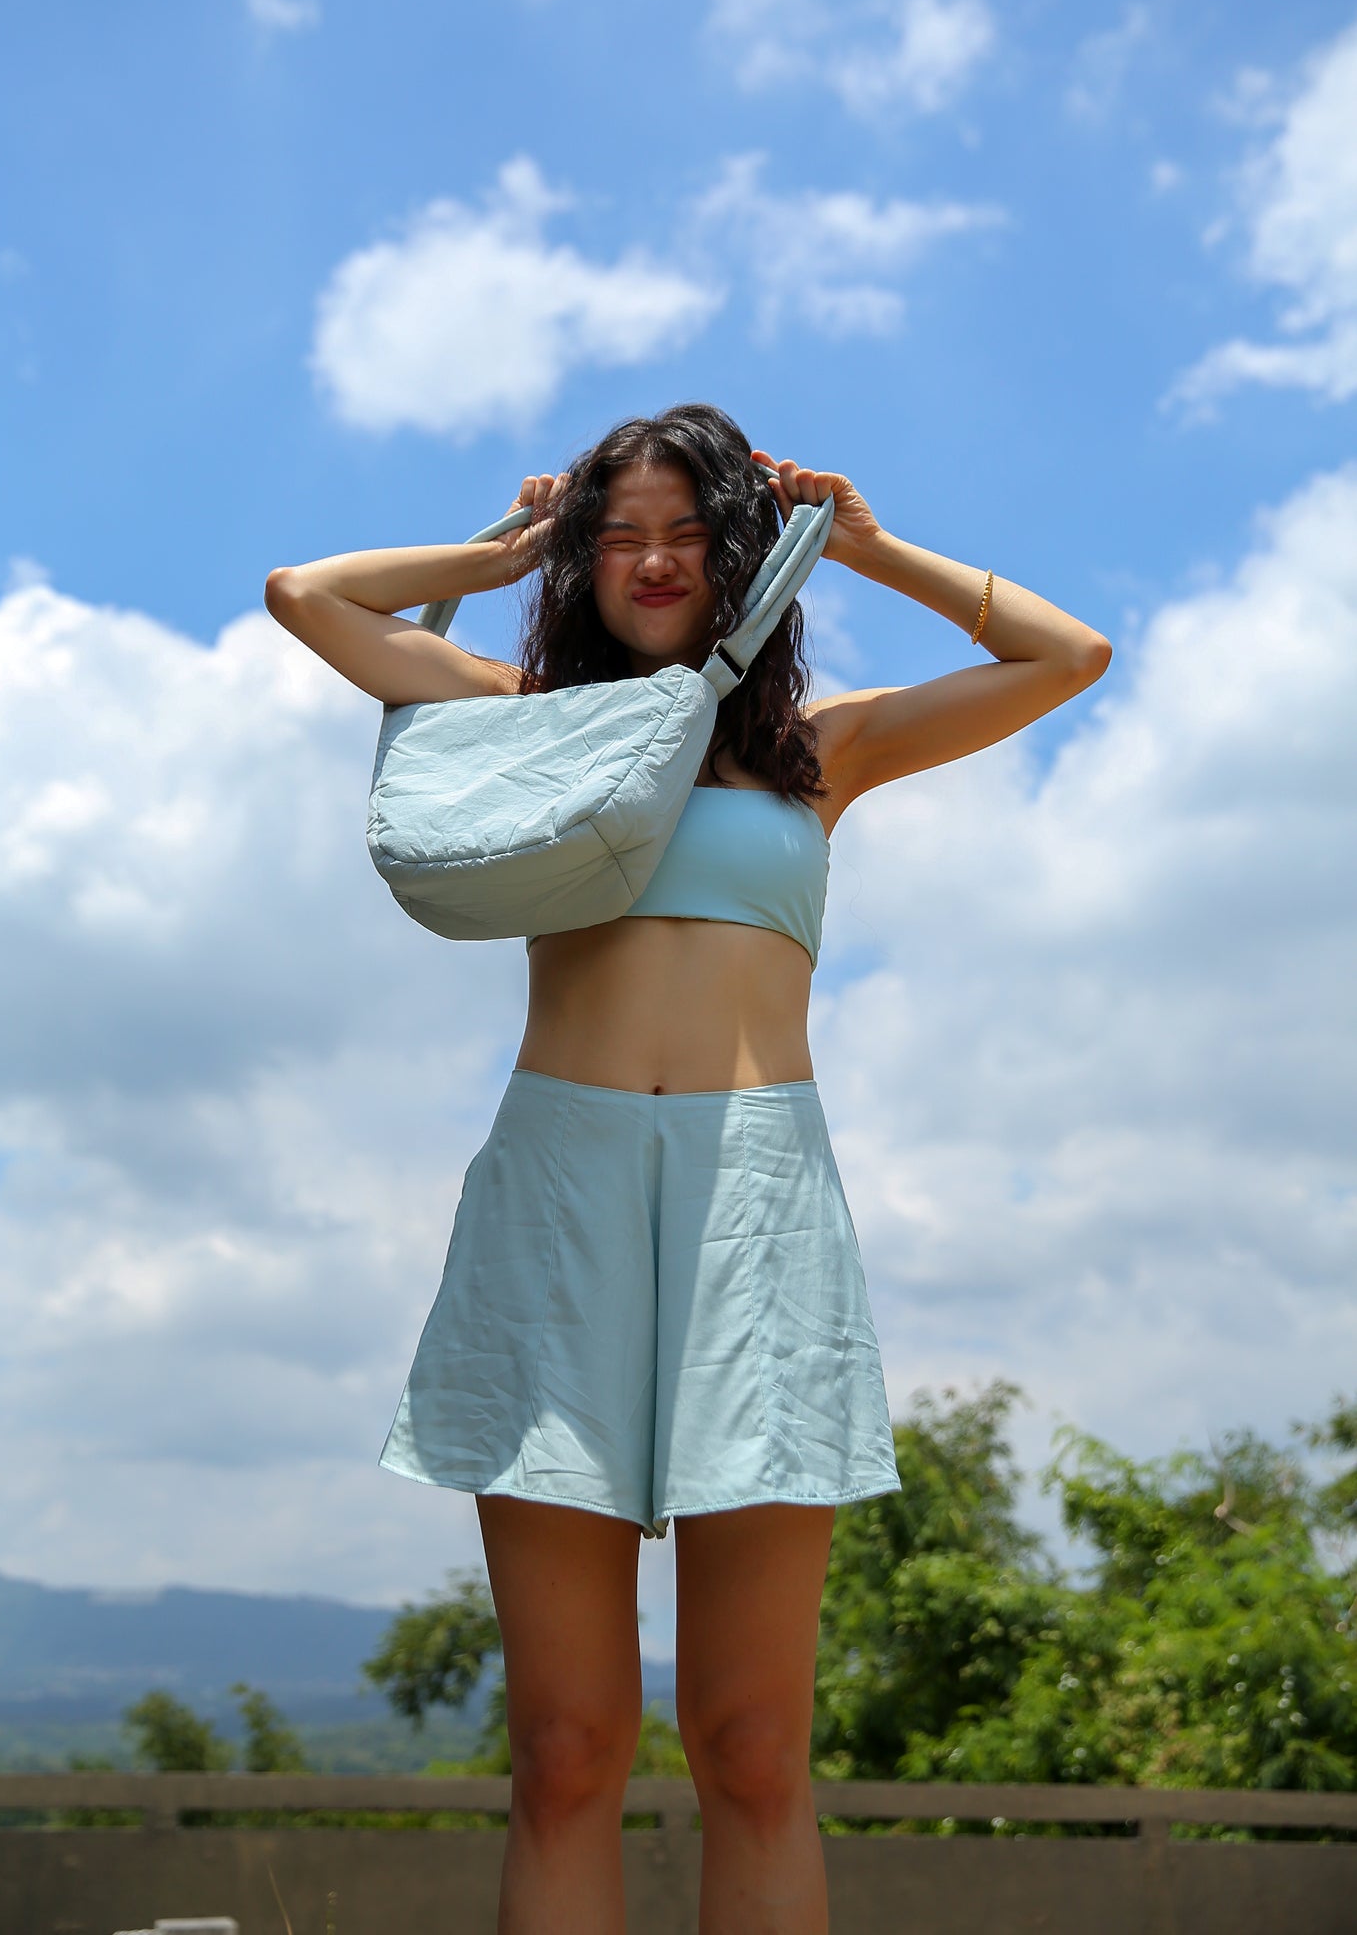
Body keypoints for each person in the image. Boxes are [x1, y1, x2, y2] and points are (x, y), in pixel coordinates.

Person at [264, 402, 1111, 1935]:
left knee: (752, 1749)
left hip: (758, 1209)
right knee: (564, 1751)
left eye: (686, 533)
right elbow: (306, 597)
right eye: (618, 537)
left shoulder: (819, 754)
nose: (652, 562)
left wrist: (862, 546)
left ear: (738, 553)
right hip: (556, 1201)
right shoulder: (517, 718)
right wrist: (500, 549)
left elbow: (1066, 656)